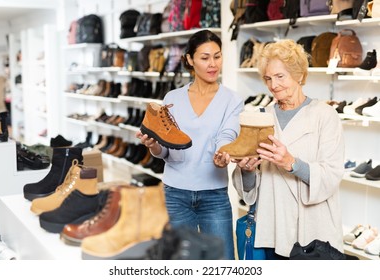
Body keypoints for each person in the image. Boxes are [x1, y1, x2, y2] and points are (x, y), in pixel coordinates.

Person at [230, 39, 345, 259]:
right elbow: (250, 191)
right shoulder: (261, 117)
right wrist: (247, 170)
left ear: (300, 75)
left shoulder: (325, 115)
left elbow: (332, 175)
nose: (273, 85)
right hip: (271, 228)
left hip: (312, 233)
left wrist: (291, 163)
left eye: (280, 76)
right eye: (268, 78)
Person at [136, 30, 244, 260]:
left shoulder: (232, 100)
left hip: (214, 195)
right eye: (205, 58)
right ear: (190, 60)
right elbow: (164, 150)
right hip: (175, 194)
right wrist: (152, 145)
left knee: (222, 263)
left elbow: (228, 133)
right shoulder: (172, 99)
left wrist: (223, 152)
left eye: (217, 56)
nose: (213, 64)